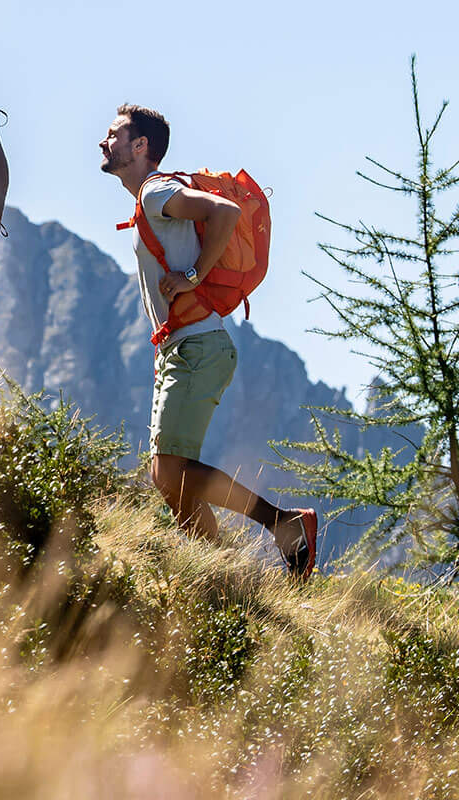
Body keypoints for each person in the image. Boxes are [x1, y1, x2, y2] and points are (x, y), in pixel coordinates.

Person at [99, 103, 317, 577]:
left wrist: (194, 276)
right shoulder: (151, 198)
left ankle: (284, 524)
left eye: (114, 134)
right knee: (169, 480)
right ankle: (220, 574)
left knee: (170, 472)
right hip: (185, 347)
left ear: (141, 146)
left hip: (198, 346)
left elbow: (225, 209)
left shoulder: (157, 191)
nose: (103, 141)